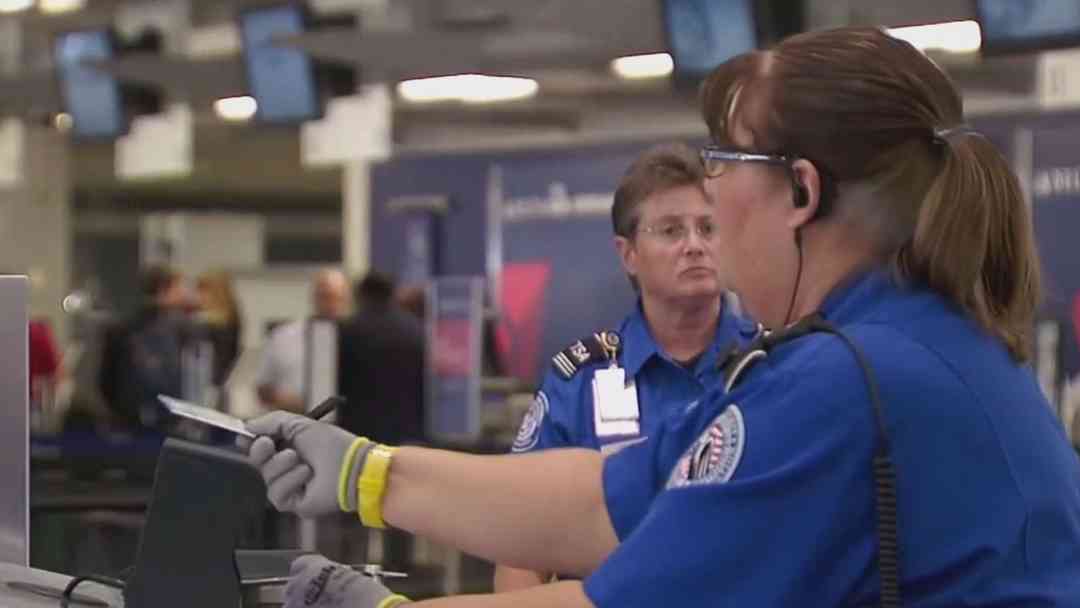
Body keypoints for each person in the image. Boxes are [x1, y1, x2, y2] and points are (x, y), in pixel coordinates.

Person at [244, 27, 1080, 608]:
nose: (709, 190)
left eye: (724, 159)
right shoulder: (903, 346)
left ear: (800, 191)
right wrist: (365, 472)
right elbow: (602, 501)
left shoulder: (845, 386)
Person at [495, 143, 756, 591]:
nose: (694, 245)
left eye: (708, 228)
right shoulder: (578, 382)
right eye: (671, 230)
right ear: (628, 254)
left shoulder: (770, 367)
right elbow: (520, 549)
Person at [99, 265, 192, 430]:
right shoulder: (180, 329)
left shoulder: (120, 326)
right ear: (164, 290)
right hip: (167, 422)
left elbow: (105, 381)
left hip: (125, 421)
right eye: (179, 288)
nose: (184, 293)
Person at [338, 272, 424, 447]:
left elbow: (337, 379)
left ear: (361, 294)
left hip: (358, 430)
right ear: (393, 293)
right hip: (406, 428)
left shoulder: (348, 330)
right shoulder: (415, 330)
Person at [255, 268, 349, 413]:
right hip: (292, 423)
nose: (331, 304)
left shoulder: (357, 341)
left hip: (343, 429)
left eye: (337, 298)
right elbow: (262, 388)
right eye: (325, 296)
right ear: (313, 297)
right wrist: (284, 399)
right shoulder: (283, 336)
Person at [195, 270, 243, 388]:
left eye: (202, 291)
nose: (198, 296)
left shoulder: (216, 323)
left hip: (212, 383)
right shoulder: (230, 317)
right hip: (217, 381)